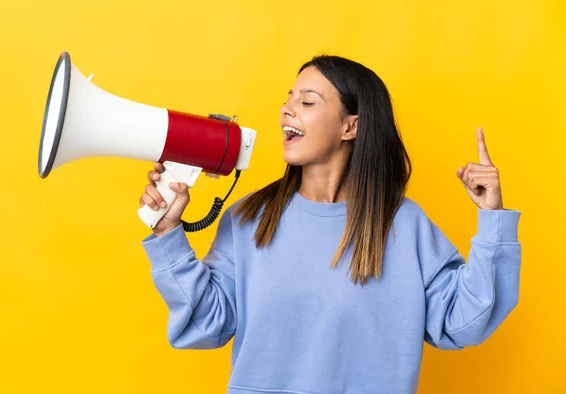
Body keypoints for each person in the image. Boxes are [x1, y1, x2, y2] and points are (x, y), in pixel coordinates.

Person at [139, 55, 522, 394]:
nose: (287, 110)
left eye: (306, 101)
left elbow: (464, 321)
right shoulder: (248, 220)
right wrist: (168, 235)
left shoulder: (405, 225)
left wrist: (493, 221)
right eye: (288, 99)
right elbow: (208, 324)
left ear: (350, 127)